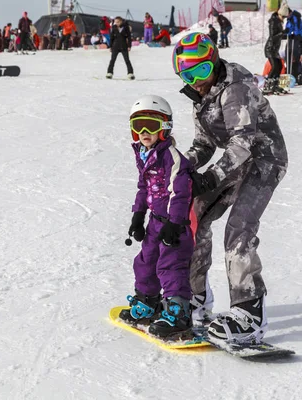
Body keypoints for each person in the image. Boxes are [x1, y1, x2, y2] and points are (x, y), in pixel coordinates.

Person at [172, 33, 288, 344]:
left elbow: (243, 143)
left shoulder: (234, 88)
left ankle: (249, 311)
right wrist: (181, 166)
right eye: (187, 74)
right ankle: (195, 296)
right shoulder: (201, 95)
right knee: (195, 214)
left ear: (214, 62)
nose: (196, 80)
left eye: (201, 71)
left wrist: (209, 178)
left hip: (264, 160)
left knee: (239, 229)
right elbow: (204, 143)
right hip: (236, 159)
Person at [122, 95, 194, 339]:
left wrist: (175, 223)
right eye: (138, 126)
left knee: (170, 265)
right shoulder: (145, 155)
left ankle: (179, 312)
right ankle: (148, 302)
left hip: (176, 224)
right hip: (155, 221)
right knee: (145, 261)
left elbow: (180, 192)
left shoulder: (171, 157)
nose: (144, 132)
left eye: (151, 126)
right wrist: (138, 216)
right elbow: (144, 188)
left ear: (165, 127)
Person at [282, 6, 302, 85]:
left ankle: (298, 75)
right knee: (288, 57)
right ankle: (290, 75)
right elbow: (288, 29)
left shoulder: (295, 17)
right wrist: (284, 34)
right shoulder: (289, 19)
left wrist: (291, 33)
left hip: (297, 39)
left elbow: (296, 28)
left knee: (295, 58)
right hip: (290, 39)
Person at [263, 10, 286, 95]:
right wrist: (282, 33)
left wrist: (288, 36)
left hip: (275, 49)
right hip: (270, 48)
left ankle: (275, 85)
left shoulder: (279, 22)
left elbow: (279, 36)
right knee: (275, 66)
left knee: (279, 66)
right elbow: (273, 37)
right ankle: (267, 85)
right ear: (279, 14)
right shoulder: (273, 22)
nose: (284, 18)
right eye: (283, 16)